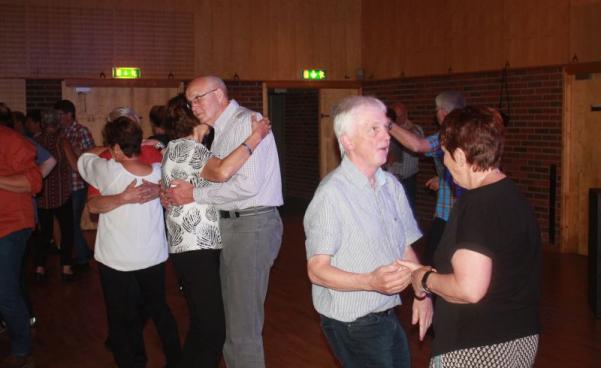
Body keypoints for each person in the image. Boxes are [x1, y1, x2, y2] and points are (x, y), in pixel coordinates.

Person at [401, 106, 541, 367]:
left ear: (460, 156)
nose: (444, 162)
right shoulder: (512, 194)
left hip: (475, 347)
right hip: (521, 340)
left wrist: (423, 278)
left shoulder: (476, 204)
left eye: (445, 154)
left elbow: (469, 289)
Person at [163, 75, 283, 368]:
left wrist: (194, 194)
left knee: (241, 328)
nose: (193, 106)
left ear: (219, 94)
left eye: (198, 98)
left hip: (250, 225)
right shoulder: (218, 131)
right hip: (230, 226)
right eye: (190, 102)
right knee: (229, 325)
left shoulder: (245, 123)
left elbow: (246, 185)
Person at [304, 96, 432, 367]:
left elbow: (404, 247)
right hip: (352, 323)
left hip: (386, 313)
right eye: (373, 129)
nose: (385, 135)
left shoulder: (391, 186)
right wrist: (370, 281)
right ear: (348, 141)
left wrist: (422, 292)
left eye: (385, 127)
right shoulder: (331, 195)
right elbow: (317, 270)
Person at [78, 117, 181, 368]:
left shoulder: (107, 171)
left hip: (115, 260)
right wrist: (149, 145)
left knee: (118, 318)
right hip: (152, 257)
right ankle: (176, 361)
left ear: (115, 149)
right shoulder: (158, 171)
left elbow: (84, 158)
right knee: (159, 310)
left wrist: (121, 196)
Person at [389, 91, 465, 265]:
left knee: (434, 262)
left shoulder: (448, 135)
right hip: (460, 213)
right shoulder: (472, 132)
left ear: (442, 112)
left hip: (450, 215)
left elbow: (417, 145)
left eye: (436, 110)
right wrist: (444, 178)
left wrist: (387, 123)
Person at [0, 103, 42, 368]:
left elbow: (33, 182)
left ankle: (21, 347)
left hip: (11, 224)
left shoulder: (11, 140)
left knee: (4, 290)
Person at [34, 109, 78, 281]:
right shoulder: (62, 141)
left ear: (42, 124)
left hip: (42, 195)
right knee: (67, 231)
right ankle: (66, 268)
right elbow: (75, 166)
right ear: (58, 124)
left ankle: (40, 268)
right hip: (62, 194)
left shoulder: (35, 142)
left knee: (44, 233)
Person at [54, 99, 95, 270]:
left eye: (59, 114)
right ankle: (84, 252)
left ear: (69, 114)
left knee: (72, 223)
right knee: (70, 223)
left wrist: (75, 152)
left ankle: (83, 259)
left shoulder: (81, 131)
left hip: (77, 185)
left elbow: (91, 155)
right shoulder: (58, 132)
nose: (57, 118)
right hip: (63, 185)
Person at [385, 103, 423, 212]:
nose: (397, 119)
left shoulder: (415, 129)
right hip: (392, 175)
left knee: (408, 208)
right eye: (396, 116)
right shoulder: (389, 129)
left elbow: (420, 144)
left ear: (406, 114)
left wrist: (407, 129)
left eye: (400, 116)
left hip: (408, 178)